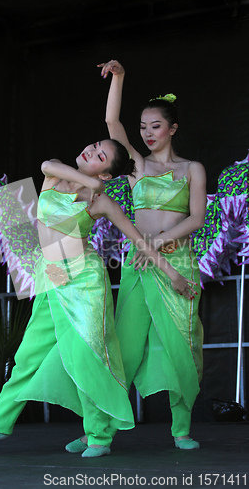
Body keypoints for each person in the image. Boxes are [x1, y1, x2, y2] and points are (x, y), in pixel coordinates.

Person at [0, 139, 197, 458]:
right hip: (52, 274)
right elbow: (48, 165)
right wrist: (91, 181)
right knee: (28, 355)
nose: (91, 150)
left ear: (106, 174)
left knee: (86, 357)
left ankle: (99, 437)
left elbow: (139, 241)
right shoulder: (55, 174)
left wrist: (174, 275)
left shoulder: (101, 202)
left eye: (100, 155)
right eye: (94, 145)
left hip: (85, 279)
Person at [98, 60, 206, 449]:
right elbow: (113, 125)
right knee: (122, 349)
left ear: (173, 128)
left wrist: (158, 241)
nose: (147, 134)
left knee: (181, 344)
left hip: (176, 262)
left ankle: (181, 429)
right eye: (143, 127)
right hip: (138, 267)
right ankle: (100, 431)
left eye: (155, 126)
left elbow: (196, 217)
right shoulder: (137, 165)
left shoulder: (191, 168)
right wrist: (120, 78)